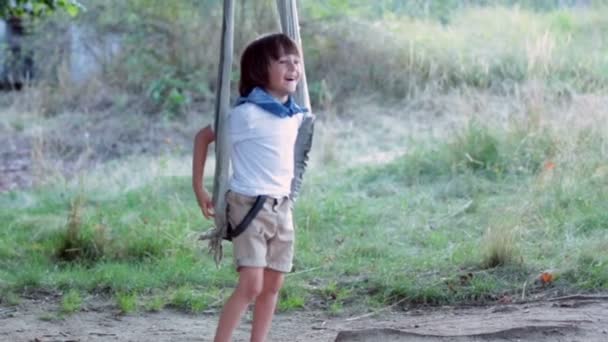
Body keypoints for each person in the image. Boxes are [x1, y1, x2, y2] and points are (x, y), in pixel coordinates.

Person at [192, 33, 308, 342]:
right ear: (260, 69)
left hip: (282, 207)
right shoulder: (246, 115)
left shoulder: (297, 115)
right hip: (249, 206)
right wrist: (200, 189)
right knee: (251, 285)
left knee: (273, 286)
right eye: (283, 61)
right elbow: (203, 137)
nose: (293, 67)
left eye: (296, 61)